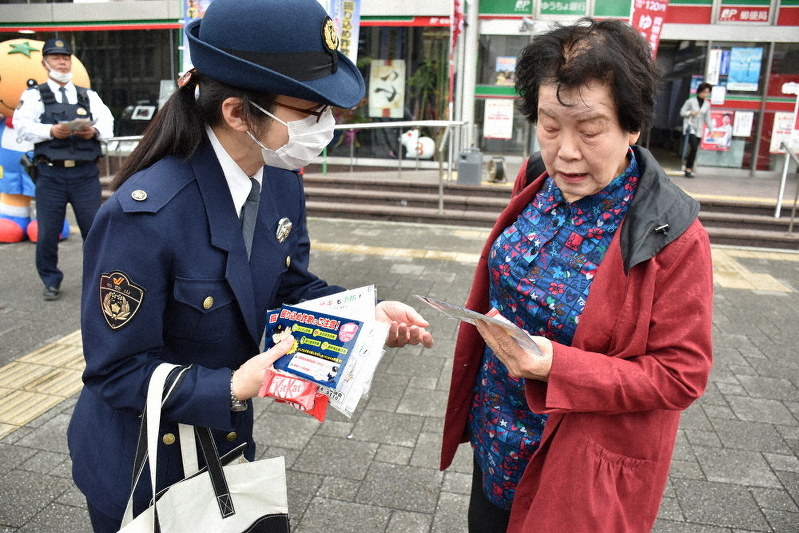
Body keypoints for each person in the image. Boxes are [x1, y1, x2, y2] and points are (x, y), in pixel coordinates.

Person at [66, 1, 434, 531]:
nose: (326, 127)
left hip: (225, 445)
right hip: (142, 464)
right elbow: (115, 371)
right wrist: (232, 388)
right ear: (238, 113)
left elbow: (283, 286)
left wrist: (362, 319)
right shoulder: (143, 215)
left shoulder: (280, 176)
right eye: (311, 112)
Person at [439, 18, 713, 533]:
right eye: (549, 126)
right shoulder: (535, 177)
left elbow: (682, 375)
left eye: (589, 130)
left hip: (578, 473)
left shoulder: (673, 233)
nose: (566, 151)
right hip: (497, 440)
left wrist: (558, 368)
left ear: (631, 127)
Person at [13, 37, 114, 300]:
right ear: (45, 63)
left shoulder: (87, 95)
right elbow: (21, 126)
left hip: (84, 174)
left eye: (66, 57)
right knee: (47, 232)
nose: (62, 61)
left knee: (94, 231)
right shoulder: (34, 95)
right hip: (51, 174)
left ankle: (96, 280)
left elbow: (108, 125)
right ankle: (51, 280)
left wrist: (92, 131)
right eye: (56, 57)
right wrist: (50, 130)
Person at [679, 81, 712, 178]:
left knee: (694, 150)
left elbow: (707, 118)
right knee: (693, 147)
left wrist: (711, 129)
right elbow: (682, 112)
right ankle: (688, 168)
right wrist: (690, 112)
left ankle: (688, 169)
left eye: (707, 92)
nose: (706, 94)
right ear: (699, 91)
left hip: (699, 130)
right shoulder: (690, 101)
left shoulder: (707, 104)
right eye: (704, 92)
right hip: (690, 128)